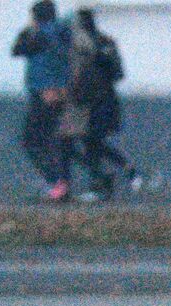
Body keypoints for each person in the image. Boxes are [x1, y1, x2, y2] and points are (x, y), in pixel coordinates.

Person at [66, 8, 138, 201]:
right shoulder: (83, 44)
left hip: (98, 101)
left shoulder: (100, 44)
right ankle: (121, 169)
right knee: (87, 141)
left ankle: (101, 185)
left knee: (90, 141)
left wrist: (100, 60)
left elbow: (117, 73)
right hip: (86, 101)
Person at [11, 0, 72, 201]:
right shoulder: (64, 32)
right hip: (61, 93)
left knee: (32, 142)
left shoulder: (40, 36)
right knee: (57, 140)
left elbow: (17, 50)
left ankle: (57, 183)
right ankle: (63, 182)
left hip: (44, 94)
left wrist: (30, 31)